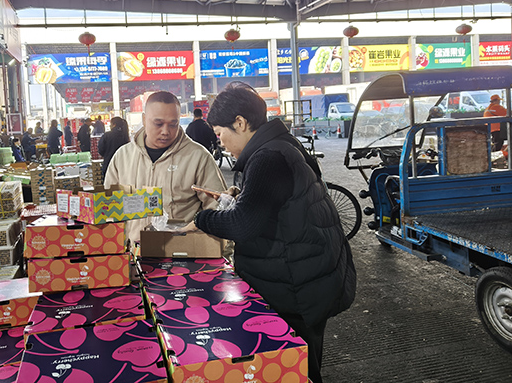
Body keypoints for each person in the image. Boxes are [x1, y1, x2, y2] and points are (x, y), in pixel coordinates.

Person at [182, 83, 356, 383]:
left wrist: (202, 219)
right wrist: (238, 198)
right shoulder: (281, 145)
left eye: (221, 133)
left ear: (240, 123)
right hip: (310, 274)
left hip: (296, 285)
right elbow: (273, 205)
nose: (221, 142)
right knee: (304, 360)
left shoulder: (267, 158)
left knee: (298, 368)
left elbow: (244, 225)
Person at [105, 91, 226, 241]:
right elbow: (108, 207)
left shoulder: (198, 157)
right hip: (132, 251)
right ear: (144, 120)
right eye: (158, 124)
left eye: (173, 124)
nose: (165, 132)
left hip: (180, 252)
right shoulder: (123, 157)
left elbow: (219, 211)